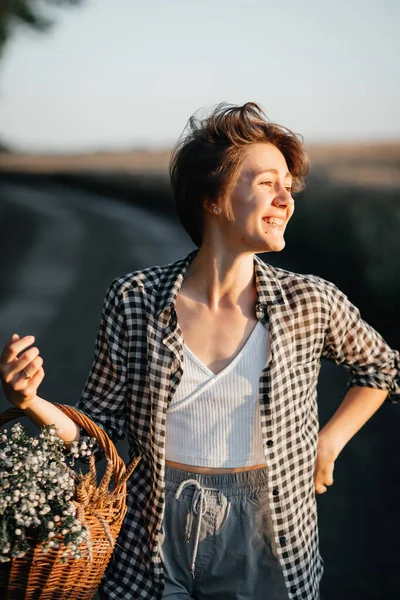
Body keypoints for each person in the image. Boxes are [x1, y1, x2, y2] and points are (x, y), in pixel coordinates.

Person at [1, 102, 399, 600]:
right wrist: (30, 401)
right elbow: (99, 431)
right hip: (152, 535)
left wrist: (330, 442)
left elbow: (381, 367)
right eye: (266, 183)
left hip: (269, 537)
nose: (285, 200)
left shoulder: (309, 300)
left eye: (288, 186)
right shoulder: (136, 298)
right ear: (212, 199)